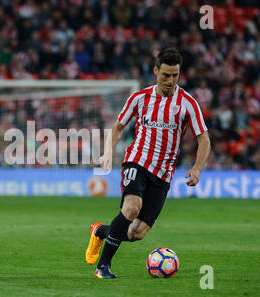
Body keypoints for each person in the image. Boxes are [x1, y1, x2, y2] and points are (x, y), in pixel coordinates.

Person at [85, 48, 211, 278]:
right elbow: (118, 127)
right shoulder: (139, 98)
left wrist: (197, 168)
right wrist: (107, 153)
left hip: (163, 174)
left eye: (175, 75)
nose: (171, 81)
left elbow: (204, 139)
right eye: (166, 75)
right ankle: (103, 267)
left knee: (136, 233)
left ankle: (100, 231)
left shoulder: (188, 103)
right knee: (132, 208)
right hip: (137, 162)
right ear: (155, 71)